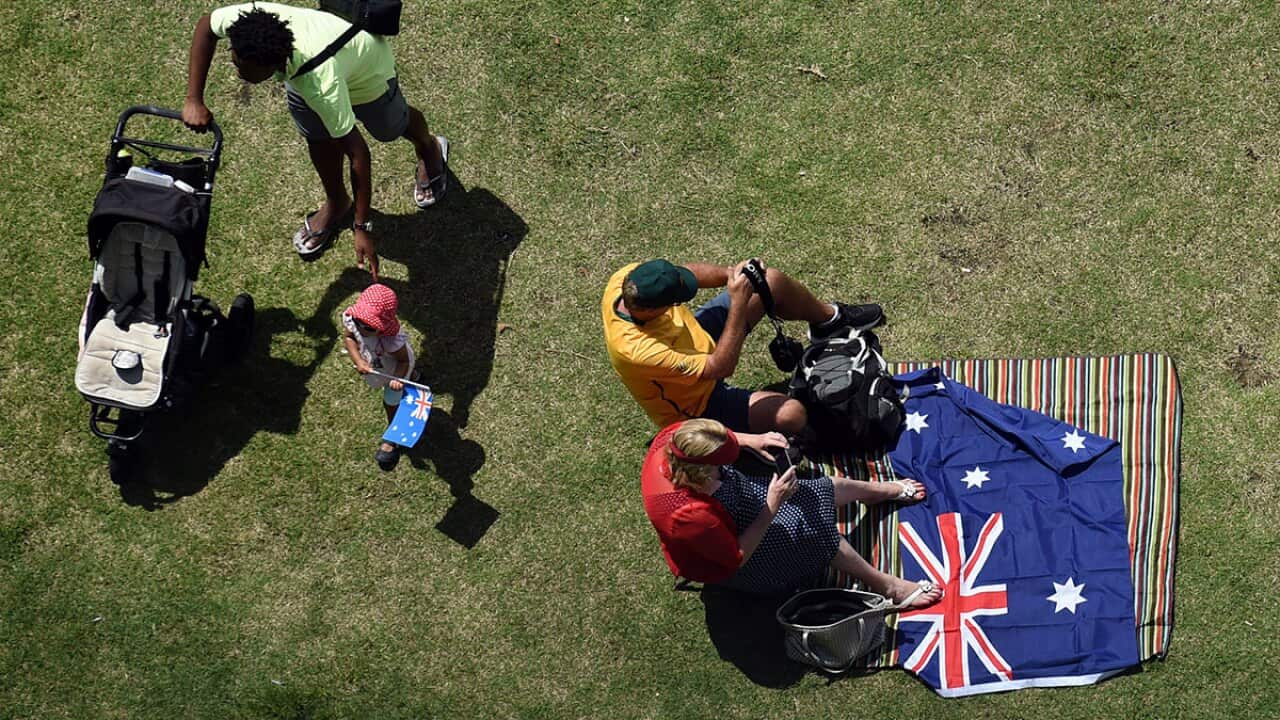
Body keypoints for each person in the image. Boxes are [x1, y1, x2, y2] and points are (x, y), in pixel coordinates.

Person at [182, 3, 449, 280]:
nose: (234, 68)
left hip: (367, 75)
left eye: (241, 65)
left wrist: (362, 227)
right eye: (234, 57)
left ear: (269, 65)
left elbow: (358, 155)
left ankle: (430, 147)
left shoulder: (321, 85)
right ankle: (337, 202)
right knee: (317, 137)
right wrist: (193, 99)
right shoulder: (250, 22)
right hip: (303, 74)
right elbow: (206, 26)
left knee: (390, 128)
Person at [640, 418, 942, 604]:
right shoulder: (687, 514)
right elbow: (735, 558)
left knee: (821, 487)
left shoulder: (676, 440)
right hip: (733, 553)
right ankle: (888, 586)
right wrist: (772, 504)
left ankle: (878, 493)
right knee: (819, 535)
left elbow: (708, 432)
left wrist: (749, 440)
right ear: (704, 469)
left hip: (737, 505)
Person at [602, 258, 883, 434]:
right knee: (792, 415)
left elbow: (686, 273)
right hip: (698, 402)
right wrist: (738, 302)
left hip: (698, 338)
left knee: (769, 281)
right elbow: (720, 367)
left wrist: (735, 276)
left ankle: (830, 321)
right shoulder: (636, 350)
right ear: (656, 310)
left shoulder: (629, 280)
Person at [341, 283, 416, 470]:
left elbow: (403, 362)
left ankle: (393, 435)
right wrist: (358, 360)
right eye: (359, 321)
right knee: (395, 387)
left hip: (394, 369)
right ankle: (413, 378)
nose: (361, 328)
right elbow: (349, 338)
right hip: (375, 365)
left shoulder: (392, 339)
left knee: (390, 401)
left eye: (369, 325)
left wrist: (397, 379)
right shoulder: (355, 322)